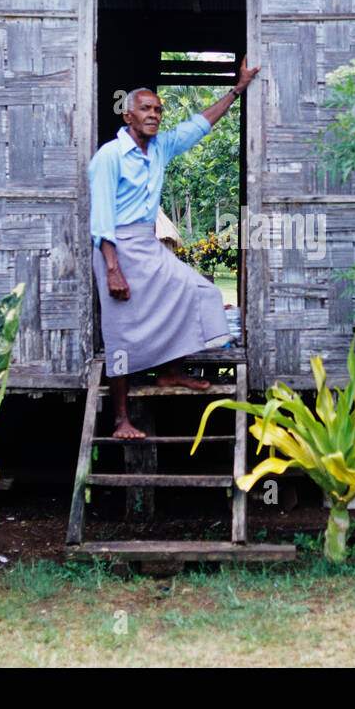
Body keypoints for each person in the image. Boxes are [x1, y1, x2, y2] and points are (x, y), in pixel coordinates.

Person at [88, 58, 260, 438]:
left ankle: (171, 371)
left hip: (147, 244)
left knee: (199, 291)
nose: (154, 115)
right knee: (121, 329)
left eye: (158, 110)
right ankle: (120, 419)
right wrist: (113, 269)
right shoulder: (109, 157)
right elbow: (100, 220)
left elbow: (200, 124)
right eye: (145, 109)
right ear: (128, 114)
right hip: (115, 248)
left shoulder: (160, 147)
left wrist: (238, 89)